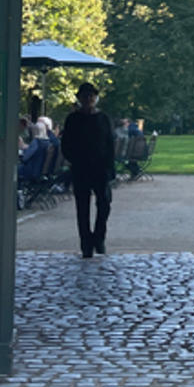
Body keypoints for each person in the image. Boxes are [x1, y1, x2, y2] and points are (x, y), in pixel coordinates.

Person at [60, 81, 115, 258]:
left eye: (91, 96)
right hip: (81, 168)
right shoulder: (73, 119)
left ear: (95, 98)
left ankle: (98, 237)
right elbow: (66, 144)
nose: (88, 99)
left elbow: (110, 144)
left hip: (100, 168)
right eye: (85, 96)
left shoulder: (104, 118)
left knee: (104, 204)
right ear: (79, 98)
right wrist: (74, 159)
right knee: (82, 208)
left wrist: (110, 166)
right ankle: (85, 243)